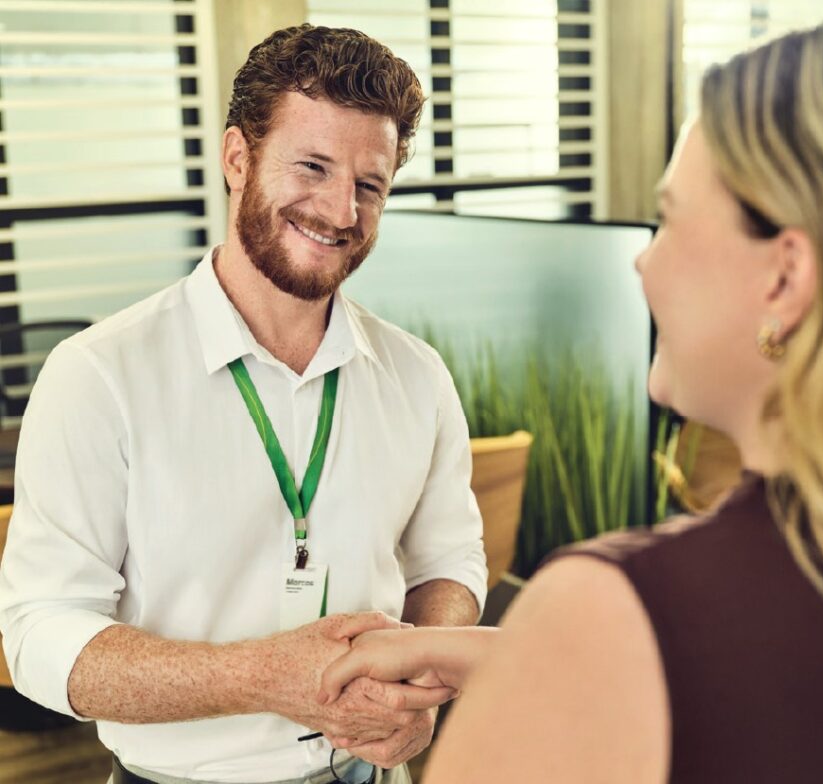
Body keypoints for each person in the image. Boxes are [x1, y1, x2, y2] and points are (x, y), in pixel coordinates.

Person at [318, 13, 823, 784]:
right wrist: (513, 652)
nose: (644, 264)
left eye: (669, 219)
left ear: (786, 278)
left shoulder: (607, 606)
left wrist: (561, 644)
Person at [0, 25, 487, 784]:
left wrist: (421, 680)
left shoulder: (417, 376)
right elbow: (40, 638)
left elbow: (448, 562)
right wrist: (264, 675)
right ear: (238, 158)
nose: (340, 211)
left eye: (370, 184)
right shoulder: (97, 376)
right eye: (313, 167)